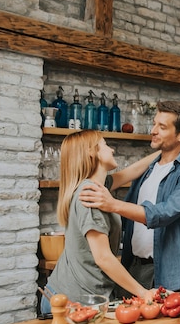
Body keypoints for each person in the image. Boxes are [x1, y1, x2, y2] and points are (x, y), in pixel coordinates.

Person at [79, 100, 180, 293]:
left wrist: (112, 204)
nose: (153, 130)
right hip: (132, 268)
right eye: (154, 123)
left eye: (162, 127)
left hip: (167, 273)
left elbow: (164, 213)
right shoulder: (147, 169)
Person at [40, 130, 159, 314]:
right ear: (91, 151)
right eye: (104, 144)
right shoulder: (90, 194)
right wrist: (142, 293)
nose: (111, 149)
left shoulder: (97, 187)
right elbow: (103, 257)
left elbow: (133, 171)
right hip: (73, 301)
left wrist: (166, 150)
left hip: (68, 295)